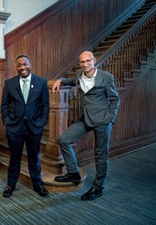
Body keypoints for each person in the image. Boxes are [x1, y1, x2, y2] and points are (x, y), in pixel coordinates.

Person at [52, 51, 120, 201]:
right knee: (63, 139)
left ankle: (98, 187)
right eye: (82, 62)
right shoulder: (78, 74)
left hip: (102, 121)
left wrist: (109, 118)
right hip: (85, 119)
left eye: (88, 61)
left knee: (100, 156)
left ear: (94, 60)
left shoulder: (106, 77)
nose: (85, 64)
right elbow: (72, 82)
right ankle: (73, 173)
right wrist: (61, 79)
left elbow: (115, 100)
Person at [1, 54, 50, 197]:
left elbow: (45, 105)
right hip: (15, 127)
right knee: (14, 157)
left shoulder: (41, 82)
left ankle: (37, 184)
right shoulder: (9, 83)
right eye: (19, 65)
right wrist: (7, 121)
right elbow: (4, 104)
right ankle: (11, 184)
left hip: (34, 127)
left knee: (34, 157)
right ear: (16, 67)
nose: (22, 67)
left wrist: (41, 122)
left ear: (30, 64)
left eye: (25, 64)